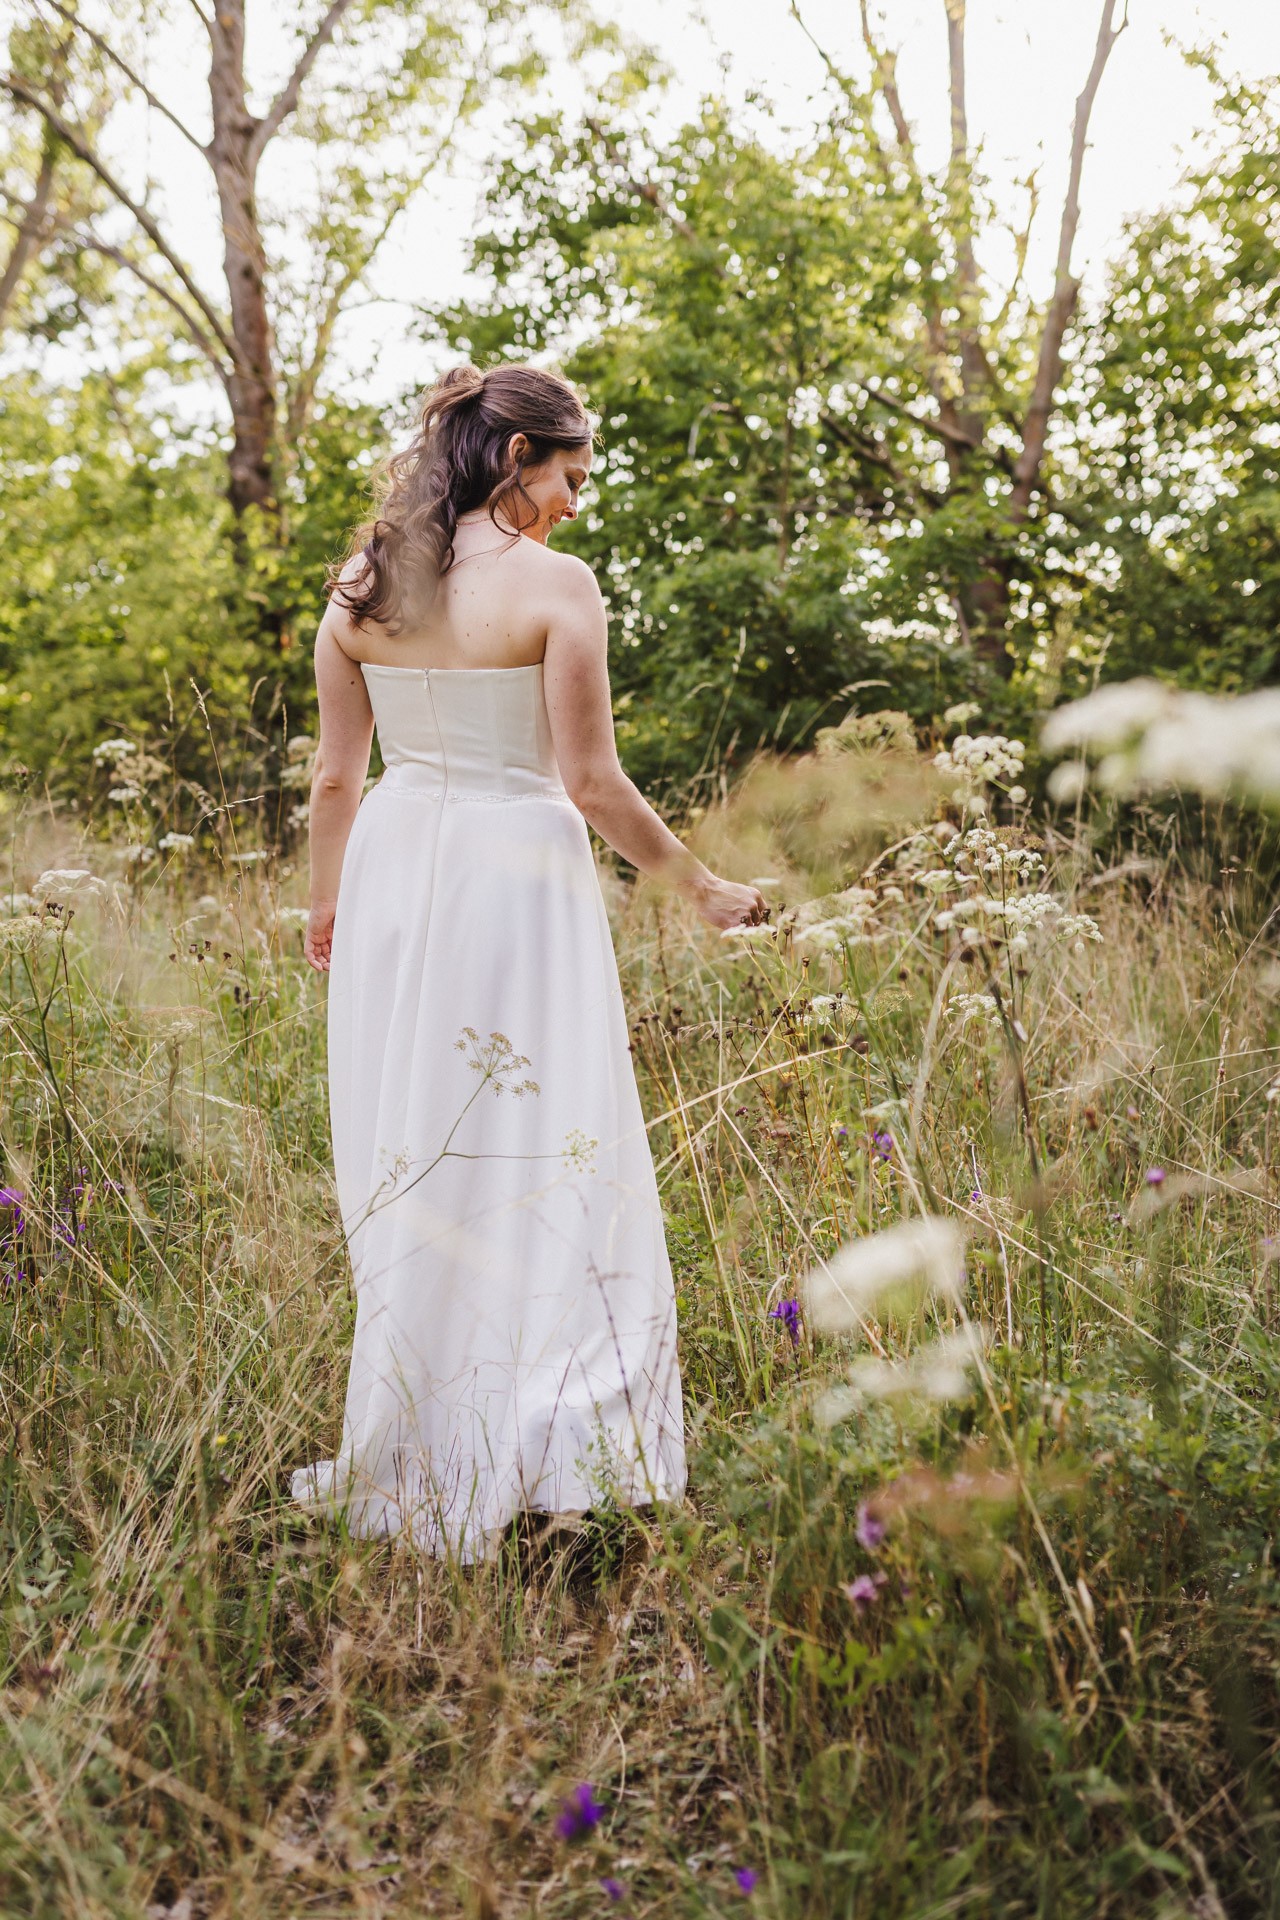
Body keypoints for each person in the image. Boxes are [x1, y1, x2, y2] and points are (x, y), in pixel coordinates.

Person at [290, 361, 767, 1566]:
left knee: (419, 1142)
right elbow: (590, 781)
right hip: (519, 875)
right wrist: (700, 887)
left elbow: (337, 778)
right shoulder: (557, 588)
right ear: (516, 460)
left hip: (397, 875)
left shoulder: (357, 591)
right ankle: (566, 1452)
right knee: (557, 1142)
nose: (576, 502)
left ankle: (431, 1435)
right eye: (571, 475)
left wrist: (325, 905)